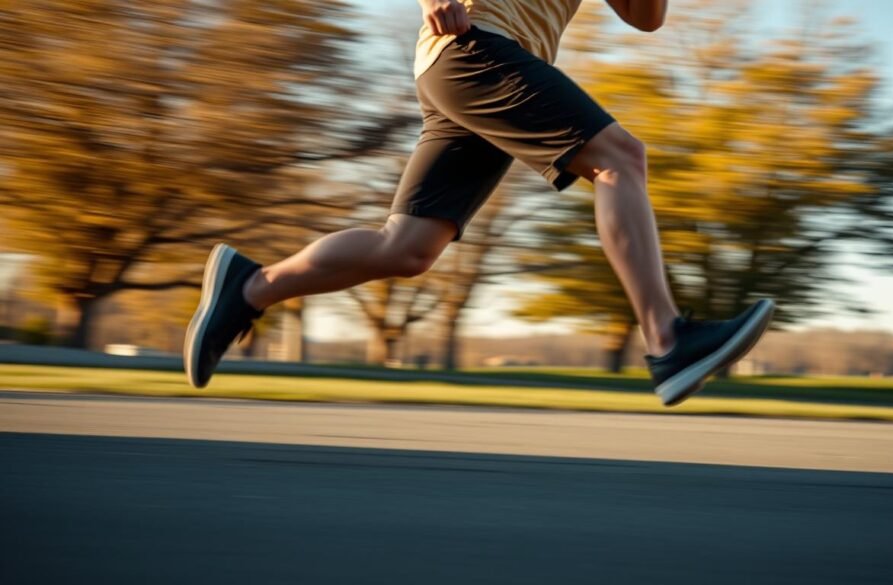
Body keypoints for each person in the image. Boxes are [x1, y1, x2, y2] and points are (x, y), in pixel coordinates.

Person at [184, 0, 775, 406]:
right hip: (474, 41)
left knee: (409, 248)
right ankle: (667, 340)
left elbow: (646, 18)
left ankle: (249, 286)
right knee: (619, 158)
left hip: (485, 60)